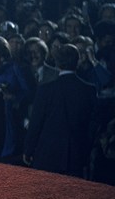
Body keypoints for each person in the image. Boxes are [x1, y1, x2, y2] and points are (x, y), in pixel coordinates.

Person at [23, 44, 98, 178]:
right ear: (77, 61)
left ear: (57, 63)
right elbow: (92, 124)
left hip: (47, 153)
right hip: (77, 153)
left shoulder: (46, 90)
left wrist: (28, 150)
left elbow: (36, 123)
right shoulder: (89, 90)